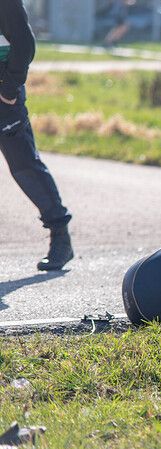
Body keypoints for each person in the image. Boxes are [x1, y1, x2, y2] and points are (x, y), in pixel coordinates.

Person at [1, 0, 73, 270]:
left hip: (3, 97)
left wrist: (9, 89)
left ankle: (60, 237)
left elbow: (24, 43)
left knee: (24, 167)